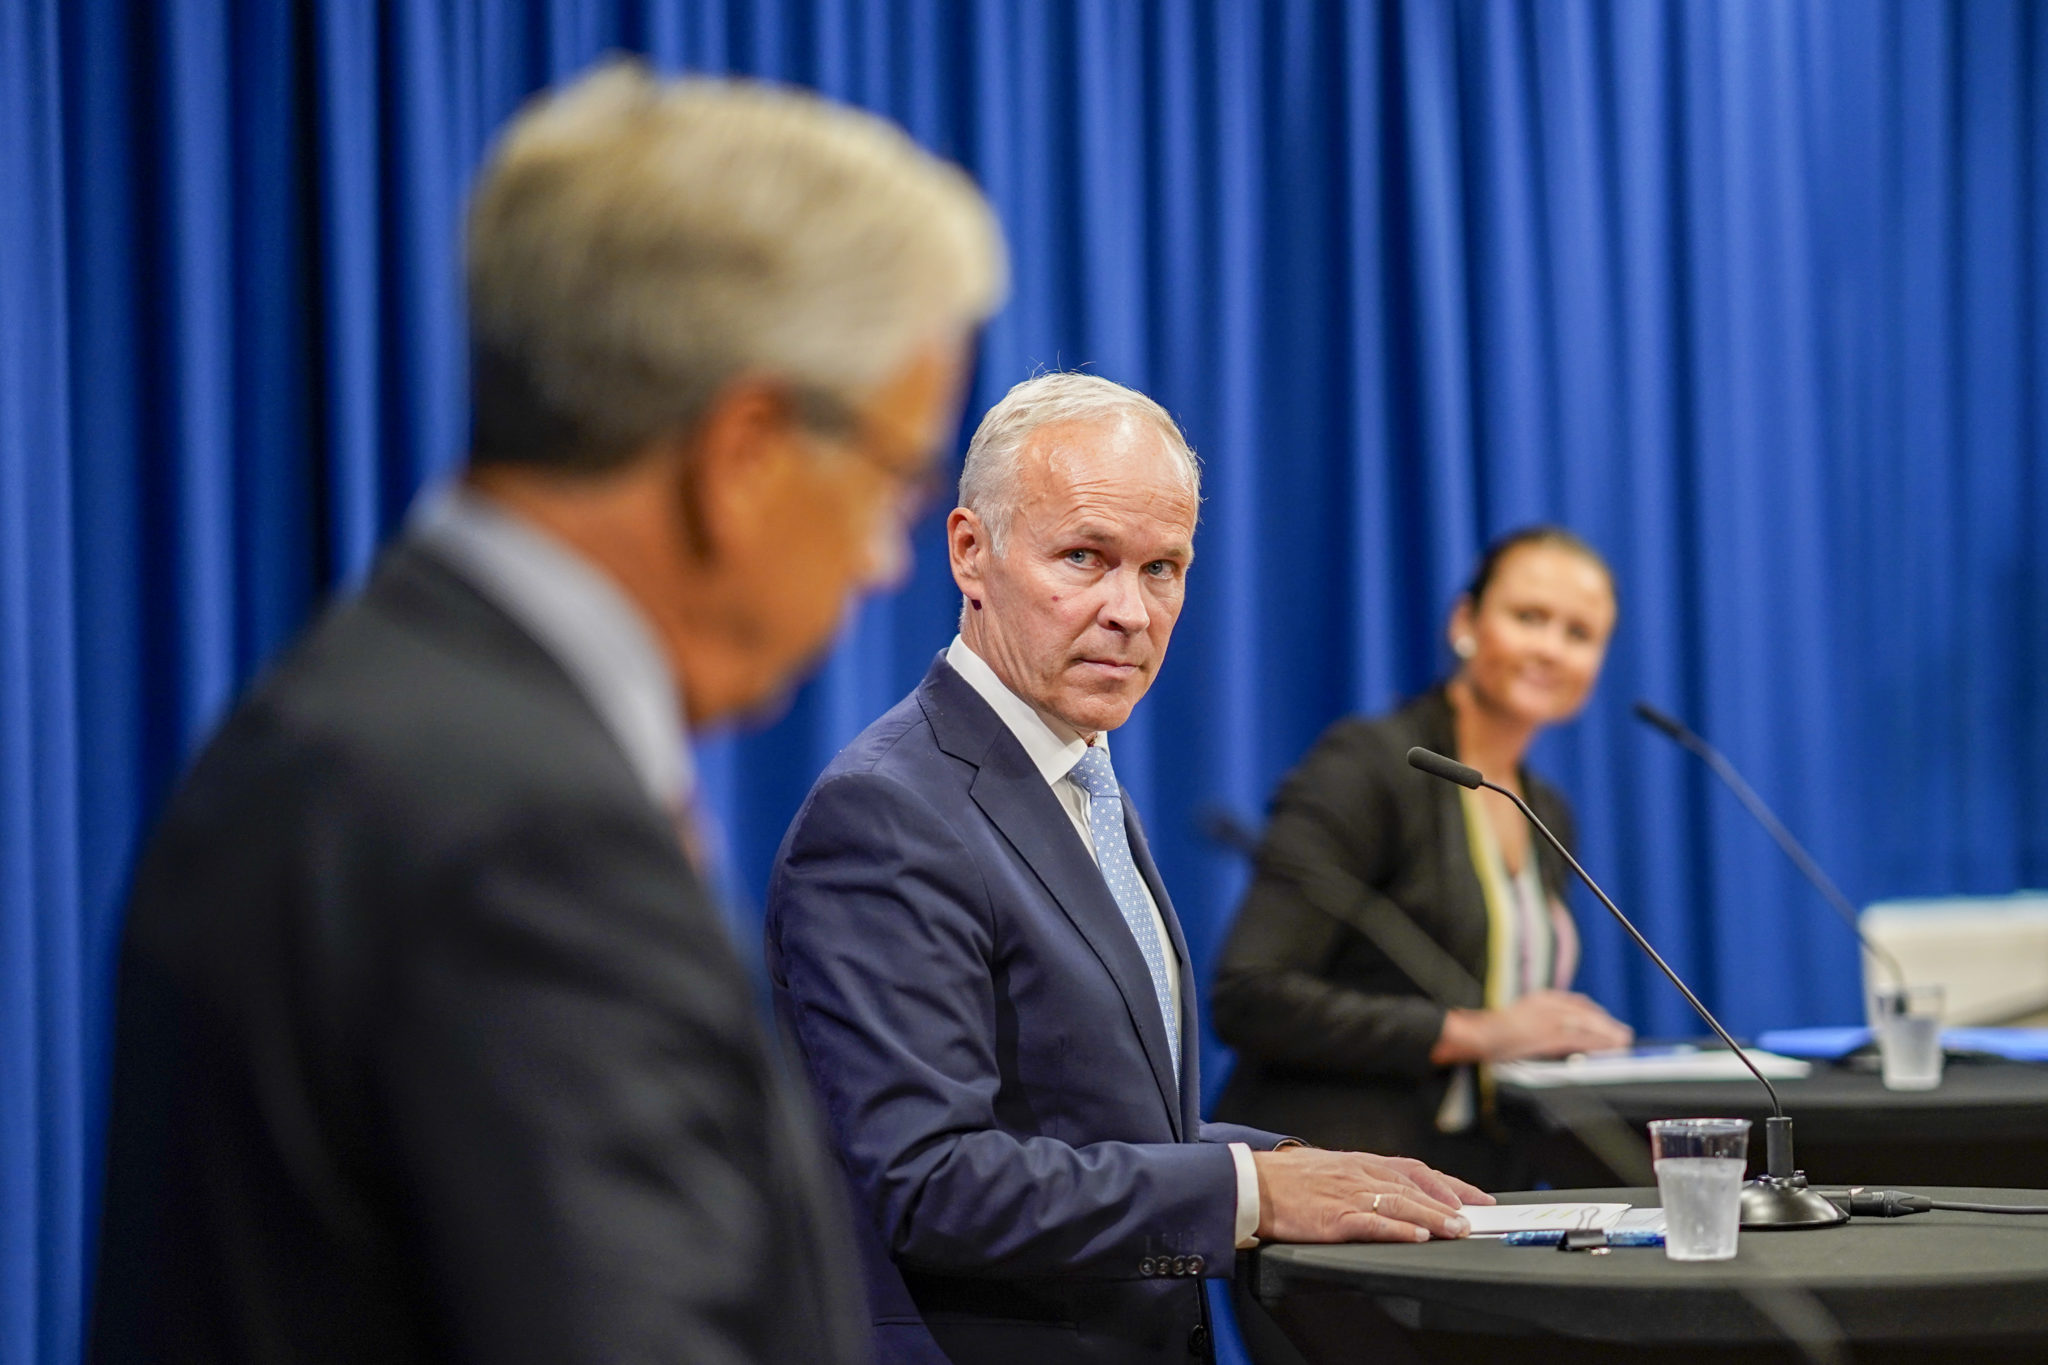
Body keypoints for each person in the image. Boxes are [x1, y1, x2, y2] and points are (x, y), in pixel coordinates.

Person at [89, 63, 1005, 1365]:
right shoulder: (526, 842)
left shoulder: (350, 721)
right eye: (892, 483)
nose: (883, 561)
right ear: (744, 455)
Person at [765, 373, 1491, 1365]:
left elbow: (1105, 1121)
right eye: (1084, 557)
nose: (1130, 612)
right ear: (970, 551)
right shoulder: (887, 812)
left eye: (1162, 568)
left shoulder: (1074, 772)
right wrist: (1251, 1192)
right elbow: (932, 1184)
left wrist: (1296, 1164)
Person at [1210, 526, 1632, 1185]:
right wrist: (1474, 1033)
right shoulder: (1367, 768)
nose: (1551, 648)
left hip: (1480, 1180)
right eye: (1529, 617)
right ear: (1465, 622)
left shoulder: (1546, 811)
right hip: (1336, 1175)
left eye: (1579, 633)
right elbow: (1250, 995)